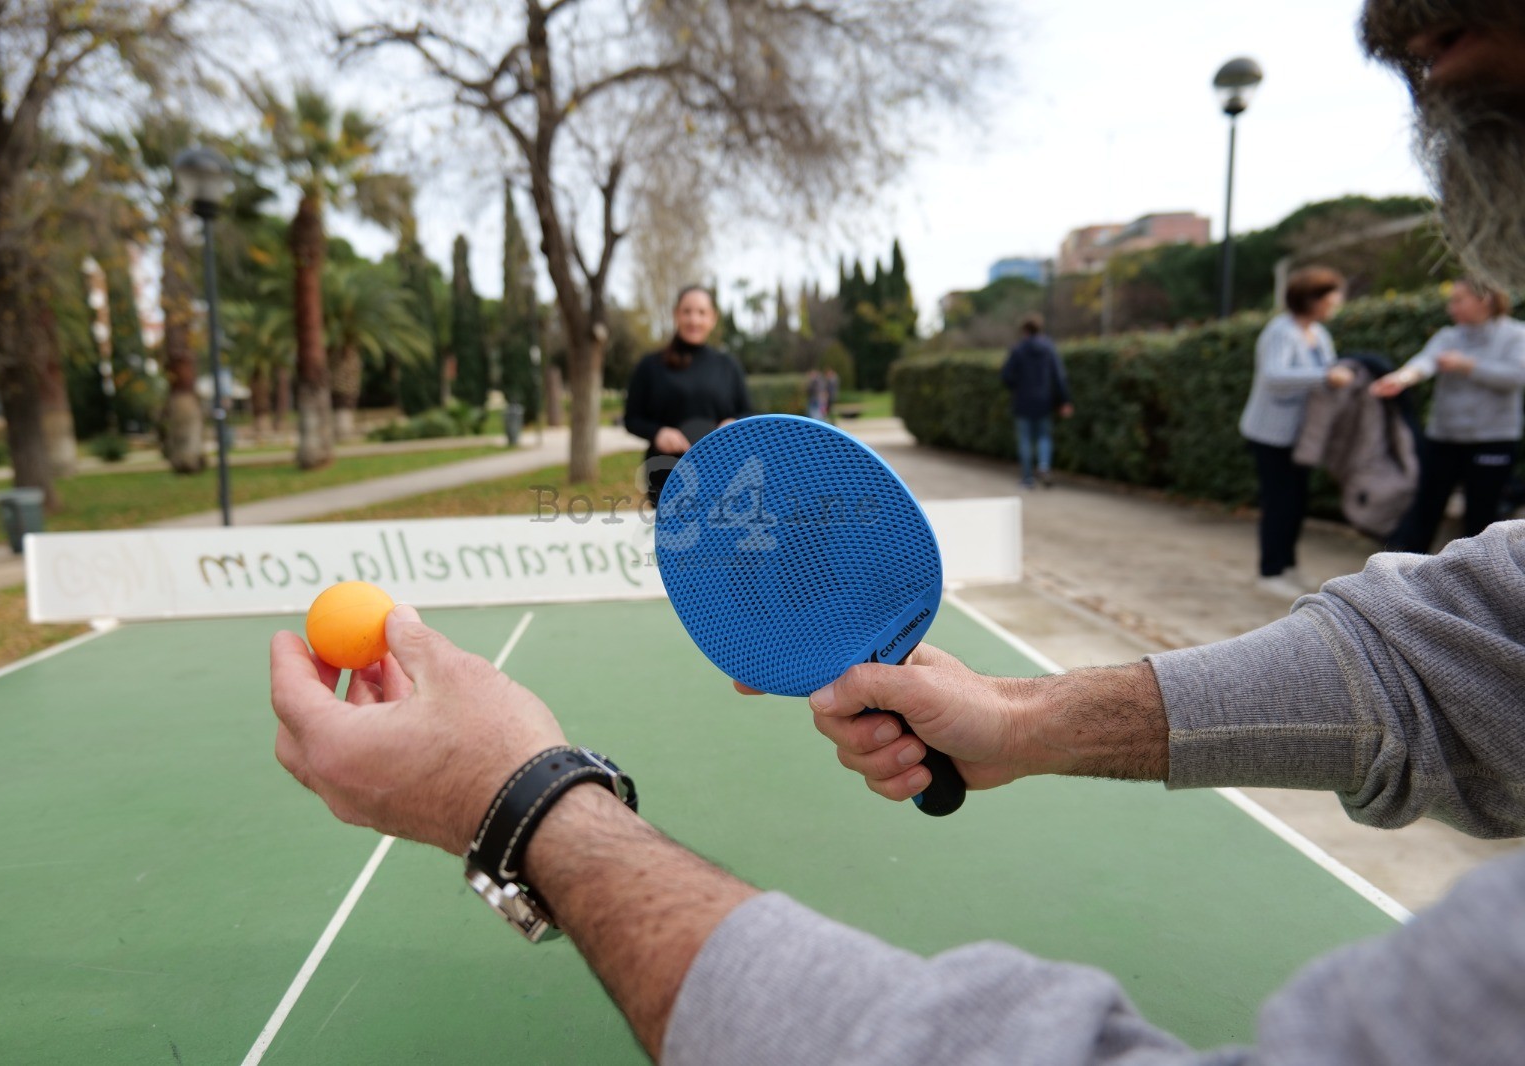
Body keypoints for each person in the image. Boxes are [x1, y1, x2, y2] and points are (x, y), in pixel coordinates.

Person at [271, 3, 1525, 1063]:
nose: (1400, 41)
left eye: (1449, 38)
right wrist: (1027, 718)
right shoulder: (654, 370)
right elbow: (1455, 655)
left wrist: (526, 802)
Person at [1371, 279, 1525, 552]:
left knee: (1482, 516)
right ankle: (1404, 569)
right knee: (1425, 508)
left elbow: (1517, 376)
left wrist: (1466, 365)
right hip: (1444, 436)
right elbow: (1425, 361)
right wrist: (1401, 378)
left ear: (1484, 300)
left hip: (1493, 439)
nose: (1450, 307)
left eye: (1458, 300)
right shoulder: (1448, 336)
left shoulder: (1516, 334)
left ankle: (1478, 575)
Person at [1238, 268, 1356, 597]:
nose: (1335, 306)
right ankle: (1270, 571)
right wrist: (1325, 377)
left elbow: (1328, 368)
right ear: (1311, 299)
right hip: (1271, 434)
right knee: (1279, 502)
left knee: (1297, 502)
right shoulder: (1281, 331)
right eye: (1330, 301)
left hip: (1303, 435)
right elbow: (1274, 376)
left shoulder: (1318, 333)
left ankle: (1288, 565)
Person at [623, 286, 753, 504]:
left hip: (722, 477)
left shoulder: (728, 366)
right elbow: (632, 419)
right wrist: (657, 433)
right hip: (668, 476)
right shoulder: (651, 366)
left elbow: (748, 411)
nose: (694, 319)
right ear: (676, 315)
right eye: (687, 311)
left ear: (713, 318)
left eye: (701, 312)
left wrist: (733, 422)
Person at [999, 314, 1073, 489]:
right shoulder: (1049, 349)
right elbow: (1059, 377)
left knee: (1025, 440)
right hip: (1044, 401)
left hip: (1023, 401)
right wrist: (1064, 400)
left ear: (1025, 331)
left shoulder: (1018, 350)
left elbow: (1006, 376)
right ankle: (1044, 466)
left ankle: (1027, 479)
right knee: (1044, 437)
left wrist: (1018, 386)